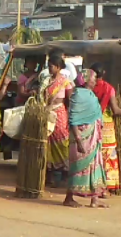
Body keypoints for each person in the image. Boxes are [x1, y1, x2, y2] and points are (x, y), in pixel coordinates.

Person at [63, 69, 107, 208]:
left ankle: (94, 199)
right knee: (77, 167)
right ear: (86, 80)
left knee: (95, 166)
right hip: (81, 138)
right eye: (94, 78)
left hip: (93, 137)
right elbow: (74, 119)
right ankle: (69, 198)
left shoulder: (89, 95)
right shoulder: (78, 96)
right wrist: (79, 140)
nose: (95, 81)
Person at [91, 63, 121, 194]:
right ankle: (107, 185)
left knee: (95, 155)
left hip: (92, 124)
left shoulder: (89, 87)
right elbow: (115, 110)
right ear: (104, 73)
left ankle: (94, 184)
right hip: (106, 125)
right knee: (108, 156)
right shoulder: (109, 88)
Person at [44, 56, 73, 186]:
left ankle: (65, 173)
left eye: (51, 66)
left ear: (58, 67)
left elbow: (70, 101)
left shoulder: (66, 82)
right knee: (48, 143)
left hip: (60, 114)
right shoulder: (46, 81)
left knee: (62, 142)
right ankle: (50, 173)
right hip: (47, 113)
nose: (49, 68)